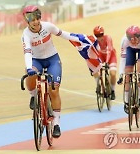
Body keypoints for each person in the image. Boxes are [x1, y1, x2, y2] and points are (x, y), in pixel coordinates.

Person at [21, 5, 85, 138]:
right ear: (27, 20)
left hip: (52, 59)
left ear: (40, 17)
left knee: (54, 90)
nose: (35, 21)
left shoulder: (48, 26)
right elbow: (27, 52)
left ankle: (56, 124)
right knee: (29, 72)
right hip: (36, 60)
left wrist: (78, 38)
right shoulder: (26, 34)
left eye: (37, 17)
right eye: (31, 19)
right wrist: (29, 68)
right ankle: (33, 96)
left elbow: (63, 34)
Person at [117, 25, 140, 114]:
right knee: (127, 75)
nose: (134, 42)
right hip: (130, 50)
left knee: (139, 72)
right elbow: (123, 59)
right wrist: (120, 75)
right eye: (131, 40)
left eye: (135, 40)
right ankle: (127, 102)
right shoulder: (124, 40)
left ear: (139, 37)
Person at [93, 26, 117, 100]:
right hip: (101, 56)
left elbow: (109, 50)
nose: (99, 37)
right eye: (97, 36)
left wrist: (106, 62)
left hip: (111, 56)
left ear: (103, 34)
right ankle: (98, 84)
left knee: (112, 74)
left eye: (101, 35)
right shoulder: (93, 40)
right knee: (94, 69)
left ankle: (112, 90)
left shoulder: (108, 38)